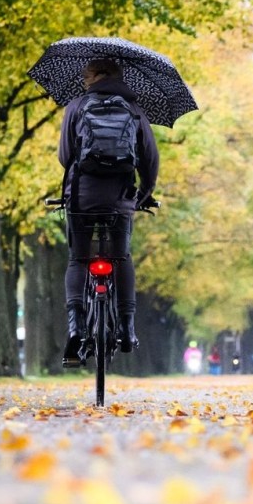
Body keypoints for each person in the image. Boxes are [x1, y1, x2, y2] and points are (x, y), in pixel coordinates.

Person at [60, 58, 159, 364]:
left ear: (91, 77)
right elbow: (150, 159)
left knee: (78, 259)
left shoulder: (75, 107)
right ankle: (128, 328)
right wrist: (144, 194)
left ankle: (76, 330)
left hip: (81, 198)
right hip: (120, 199)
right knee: (121, 257)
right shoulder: (135, 109)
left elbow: (65, 157)